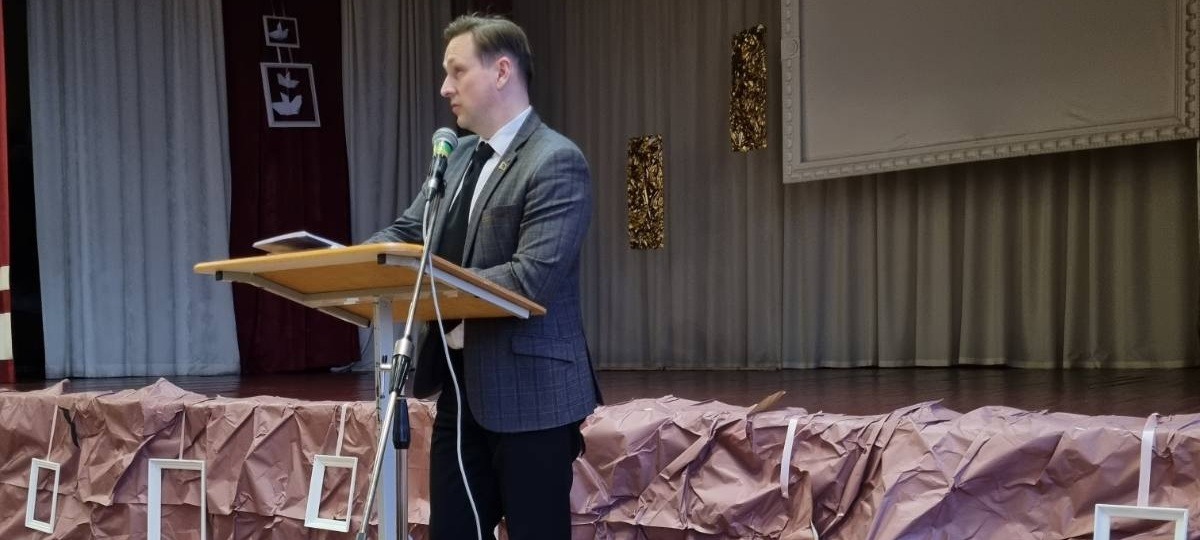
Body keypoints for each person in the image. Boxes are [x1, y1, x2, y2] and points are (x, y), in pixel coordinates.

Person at [366, 14, 601, 540]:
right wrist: (349, 260)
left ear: (501, 72)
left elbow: (531, 278)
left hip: (532, 397)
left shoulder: (555, 160)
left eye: (456, 71)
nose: (444, 88)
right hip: (459, 388)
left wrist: (432, 287)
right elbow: (408, 231)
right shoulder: (458, 157)